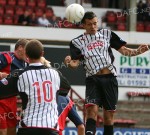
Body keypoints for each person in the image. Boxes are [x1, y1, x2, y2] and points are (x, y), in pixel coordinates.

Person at [64, 11, 150, 135]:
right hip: (92, 79)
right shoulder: (76, 42)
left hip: (110, 79)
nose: (93, 27)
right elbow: (75, 64)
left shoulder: (107, 34)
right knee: (91, 111)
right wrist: (68, 63)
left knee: (108, 116)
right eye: (89, 24)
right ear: (83, 25)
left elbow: (124, 51)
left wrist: (138, 51)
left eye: (95, 23)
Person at [0, 39, 71, 135]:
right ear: (42, 54)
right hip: (50, 127)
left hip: (28, 126)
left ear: (26, 54)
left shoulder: (20, 74)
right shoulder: (55, 73)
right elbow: (66, 89)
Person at [0, 39, 29, 135]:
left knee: (11, 131)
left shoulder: (26, 64)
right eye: (27, 50)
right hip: (1, 100)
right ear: (20, 47)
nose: (28, 54)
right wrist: (1, 75)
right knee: (2, 131)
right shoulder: (5, 57)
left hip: (12, 100)